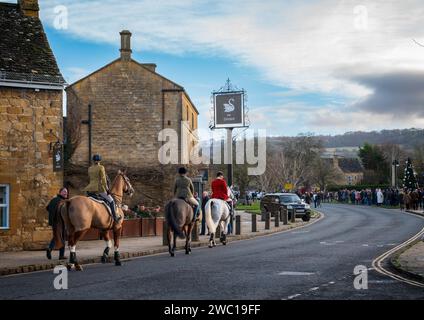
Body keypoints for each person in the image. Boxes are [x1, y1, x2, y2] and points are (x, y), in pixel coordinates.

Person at [83, 154, 120, 222]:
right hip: (99, 189)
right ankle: (115, 217)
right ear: (100, 160)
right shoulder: (101, 167)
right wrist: (107, 189)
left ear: (93, 161)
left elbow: (90, 179)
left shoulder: (90, 168)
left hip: (90, 189)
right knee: (111, 201)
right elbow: (103, 179)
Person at [46, 187, 68, 260]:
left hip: (56, 222)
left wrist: (52, 214)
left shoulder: (54, 200)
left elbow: (47, 208)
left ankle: (59, 254)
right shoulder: (62, 201)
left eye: (66, 192)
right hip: (59, 223)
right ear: (60, 192)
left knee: (58, 237)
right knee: (60, 237)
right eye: (64, 192)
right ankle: (51, 249)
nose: (66, 193)